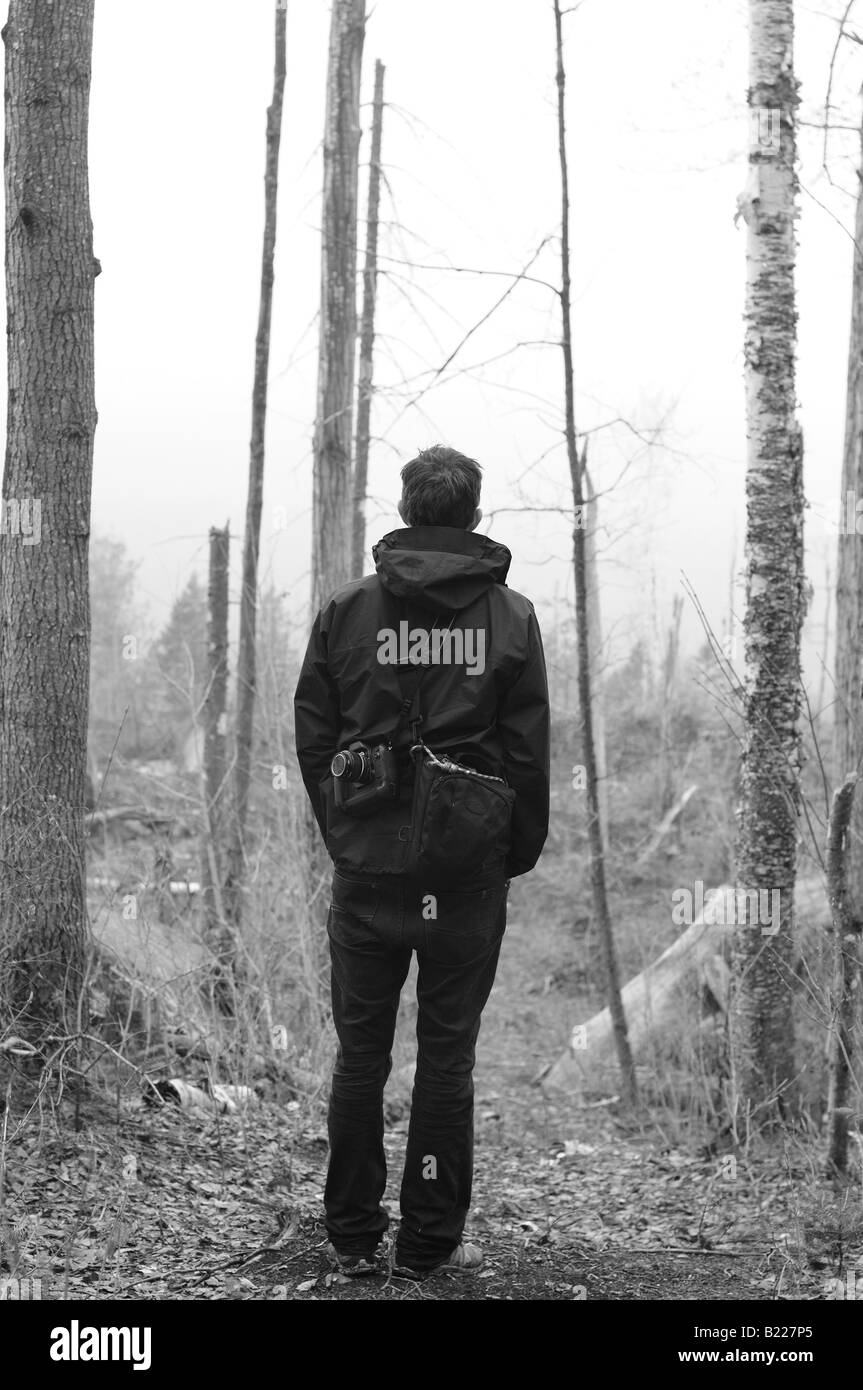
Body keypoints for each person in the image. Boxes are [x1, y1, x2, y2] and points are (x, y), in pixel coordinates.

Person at [294, 444, 550, 1278]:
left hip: (367, 871)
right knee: (446, 1059)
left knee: (360, 1056)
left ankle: (353, 1233)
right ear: (473, 517)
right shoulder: (509, 620)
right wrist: (507, 857)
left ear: (407, 510)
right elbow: (526, 756)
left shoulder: (347, 612)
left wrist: (344, 831)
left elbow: (315, 737)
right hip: (463, 879)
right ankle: (426, 1247)